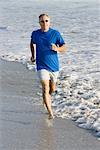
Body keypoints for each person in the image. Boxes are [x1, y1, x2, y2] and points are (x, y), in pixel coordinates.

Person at [30, 13, 66, 119]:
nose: (44, 23)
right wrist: (33, 56)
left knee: (52, 89)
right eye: (42, 21)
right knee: (45, 88)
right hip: (41, 65)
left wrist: (57, 49)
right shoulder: (35, 34)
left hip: (54, 66)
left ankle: (46, 98)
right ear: (39, 23)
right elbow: (32, 43)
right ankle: (50, 113)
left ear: (49, 22)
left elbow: (64, 47)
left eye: (46, 21)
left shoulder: (55, 33)